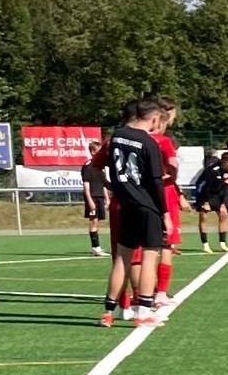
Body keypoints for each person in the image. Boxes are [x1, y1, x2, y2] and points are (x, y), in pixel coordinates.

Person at [101, 98, 169, 328]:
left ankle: (108, 312)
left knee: (122, 258)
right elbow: (156, 182)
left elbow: (111, 169)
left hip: (126, 204)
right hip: (147, 206)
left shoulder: (116, 136)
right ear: (154, 118)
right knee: (150, 257)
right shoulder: (149, 143)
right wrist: (164, 213)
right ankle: (144, 312)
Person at [148, 97, 191, 304]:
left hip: (142, 194)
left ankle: (140, 294)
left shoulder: (136, 136)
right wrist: (178, 192)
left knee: (142, 249)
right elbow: (172, 169)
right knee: (166, 245)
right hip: (164, 192)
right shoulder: (164, 140)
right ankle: (160, 293)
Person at [194, 152, 228, 253]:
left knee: (223, 215)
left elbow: (224, 188)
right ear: (223, 161)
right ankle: (205, 244)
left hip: (216, 194)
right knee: (203, 217)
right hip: (204, 193)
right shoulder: (213, 170)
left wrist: (223, 203)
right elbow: (205, 187)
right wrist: (206, 202)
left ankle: (223, 244)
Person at [79, 139, 110, 256]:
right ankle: (96, 248)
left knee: (98, 223)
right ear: (93, 152)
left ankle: (96, 247)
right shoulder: (88, 166)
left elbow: (103, 184)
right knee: (93, 222)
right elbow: (86, 186)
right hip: (93, 197)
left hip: (100, 197)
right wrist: (90, 201)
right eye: (99, 151)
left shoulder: (101, 166)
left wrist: (107, 198)